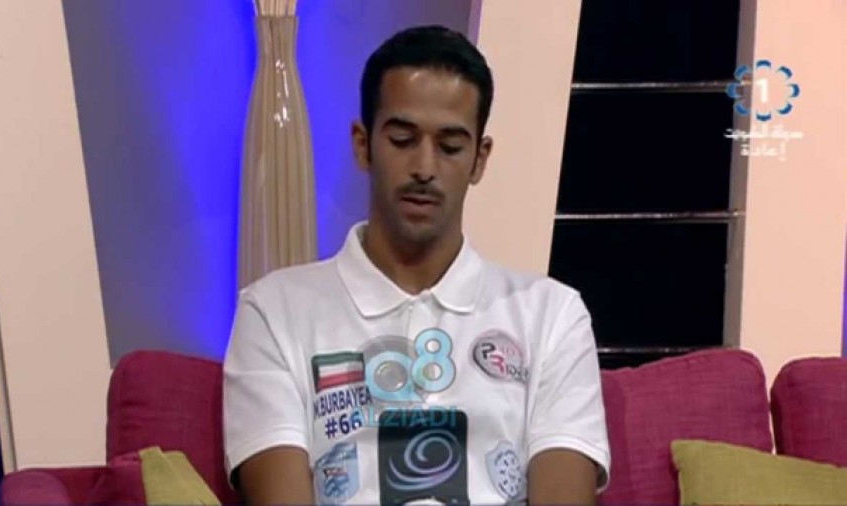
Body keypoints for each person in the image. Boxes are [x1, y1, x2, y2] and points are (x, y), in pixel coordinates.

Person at [223, 25, 610, 506]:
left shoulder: (552, 315)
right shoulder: (273, 312)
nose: (425, 168)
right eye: (403, 139)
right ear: (362, 144)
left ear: (479, 159)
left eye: (450, 147)